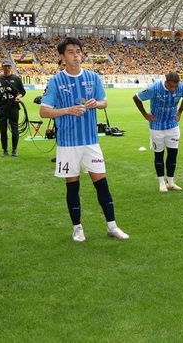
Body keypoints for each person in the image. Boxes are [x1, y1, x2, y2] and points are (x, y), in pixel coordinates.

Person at [40, 37, 128, 242]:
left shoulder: (93, 77)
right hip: (68, 143)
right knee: (73, 185)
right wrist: (68, 110)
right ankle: (77, 228)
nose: (76, 55)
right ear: (62, 57)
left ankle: (112, 226)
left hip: (90, 141)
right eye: (70, 51)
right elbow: (44, 111)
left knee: (102, 184)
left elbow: (104, 102)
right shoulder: (56, 81)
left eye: (78, 51)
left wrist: (96, 103)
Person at [133, 71, 183, 192]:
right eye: (171, 86)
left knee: (173, 153)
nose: (173, 89)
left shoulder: (181, 88)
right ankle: (161, 183)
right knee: (159, 154)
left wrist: (180, 111)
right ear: (165, 81)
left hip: (172, 125)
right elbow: (136, 97)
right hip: (156, 126)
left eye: (175, 86)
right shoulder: (154, 88)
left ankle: (170, 182)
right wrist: (144, 114)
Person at [0, 59, 26, 157]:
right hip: (1, 109)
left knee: (15, 129)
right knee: (3, 130)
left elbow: (23, 91)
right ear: (2, 67)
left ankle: (14, 149)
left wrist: (19, 97)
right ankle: (4, 150)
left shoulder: (16, 78)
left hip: (13, 108)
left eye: (9, 66)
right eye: (5, 66)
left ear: (11, 67)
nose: (7, 68)